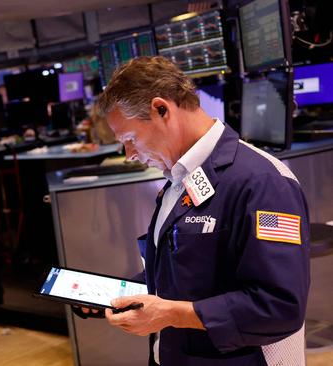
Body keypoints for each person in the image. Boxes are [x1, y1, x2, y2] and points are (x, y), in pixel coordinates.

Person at [85, 56, 310, 365]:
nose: (130, 154)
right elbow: (187, 272)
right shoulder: (178, 178)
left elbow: (279, 307)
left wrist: (170, 314)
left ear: (161, 109)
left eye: (130, 139)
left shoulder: (263, 183)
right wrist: (113, 297)